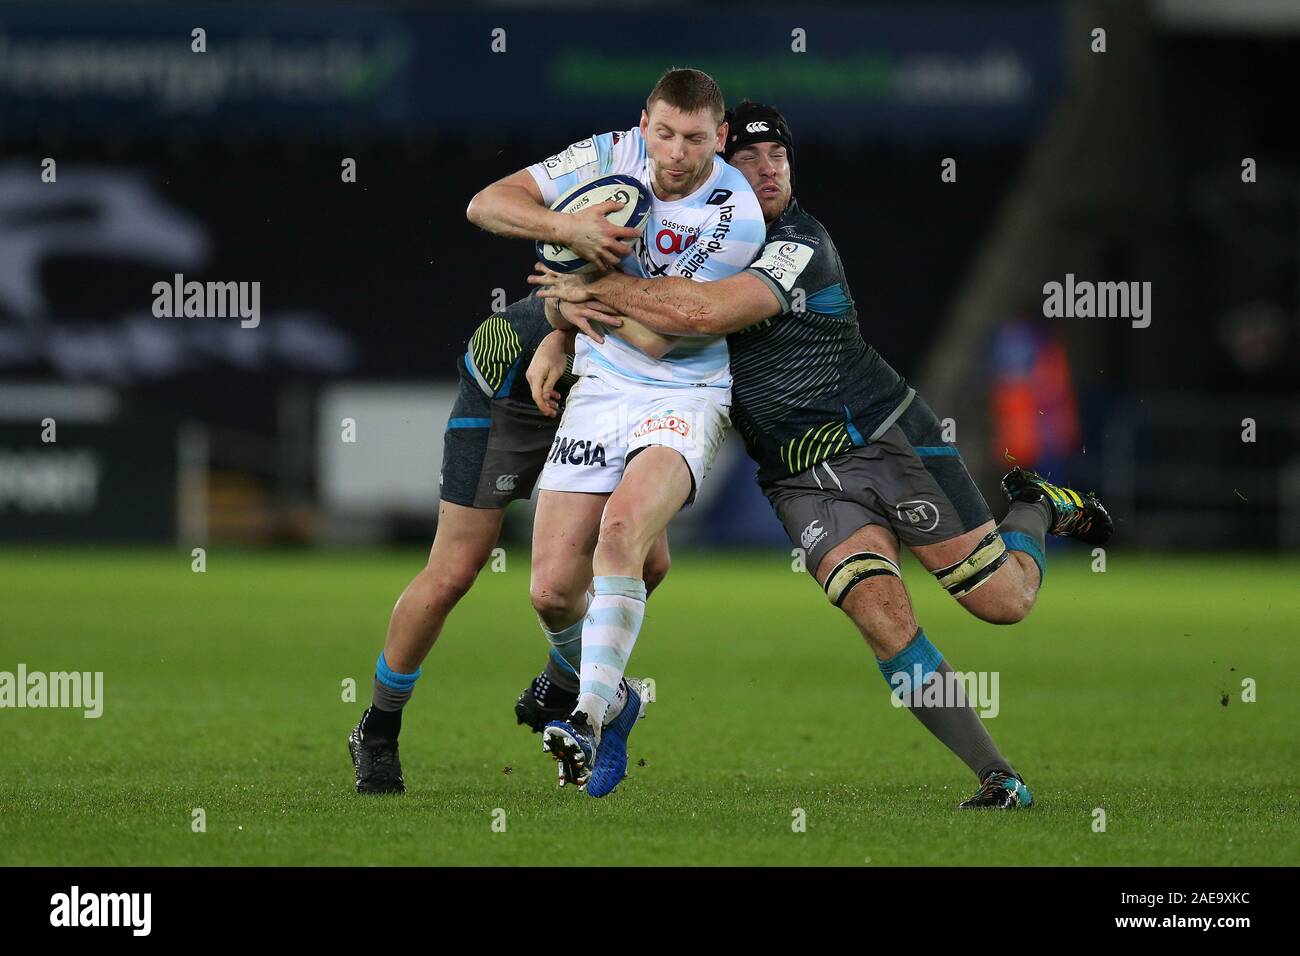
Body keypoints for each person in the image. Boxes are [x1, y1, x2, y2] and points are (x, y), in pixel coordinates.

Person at [525, 100, 1112, 808]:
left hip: (886, 439)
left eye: (778, 156)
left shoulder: (800, 243)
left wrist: (586, 290)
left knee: (1003, 601)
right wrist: (560, 326)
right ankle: (999, 778)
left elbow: (700, 314)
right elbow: (628, 316)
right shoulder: (679, 239)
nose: (767, 170)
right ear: (716, 167)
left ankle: (1035, 505)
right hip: (799, 476)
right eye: (747, 158)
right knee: (881, 613)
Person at [465, 68, 766, 796]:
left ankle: (588, 715)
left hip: (684, 391)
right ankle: (619, 694)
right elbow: (487, 204)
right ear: (643, 124)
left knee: (622, 535)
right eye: (662, 133)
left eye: (695, 138)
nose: (674, 152)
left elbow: (662, 334)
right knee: (550, 592)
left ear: (719, 138)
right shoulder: (609, 153)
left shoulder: (735, 212)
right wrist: (564, 229)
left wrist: (571, 302)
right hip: (601, 388)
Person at [346, 292, 672, 794]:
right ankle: (379, 729)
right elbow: (558, 298)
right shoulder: (595, 258)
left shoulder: (678, 253)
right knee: (454, 570)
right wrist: (559, 327)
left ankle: (560, 683)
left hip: (601, 404)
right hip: (505, 401)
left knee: (649, 562)